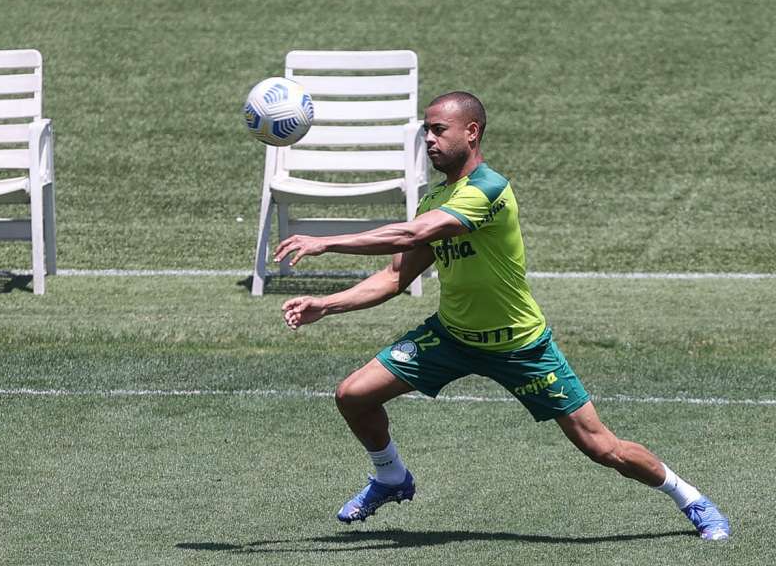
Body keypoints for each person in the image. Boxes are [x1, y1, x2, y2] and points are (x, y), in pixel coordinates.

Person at [273, 91, 730, 541]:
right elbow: (395, 277)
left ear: (471, 132)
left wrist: (325, 240)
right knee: (353, 395)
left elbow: (413, 233)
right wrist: (325, 305)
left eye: (438, 130)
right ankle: (391, 477)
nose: (429, 140)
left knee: (601, 447)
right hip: (452, 338)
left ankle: (690, 498)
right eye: (425, 131)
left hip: (520, 346)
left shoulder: (489, 189)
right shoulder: (434, 199)